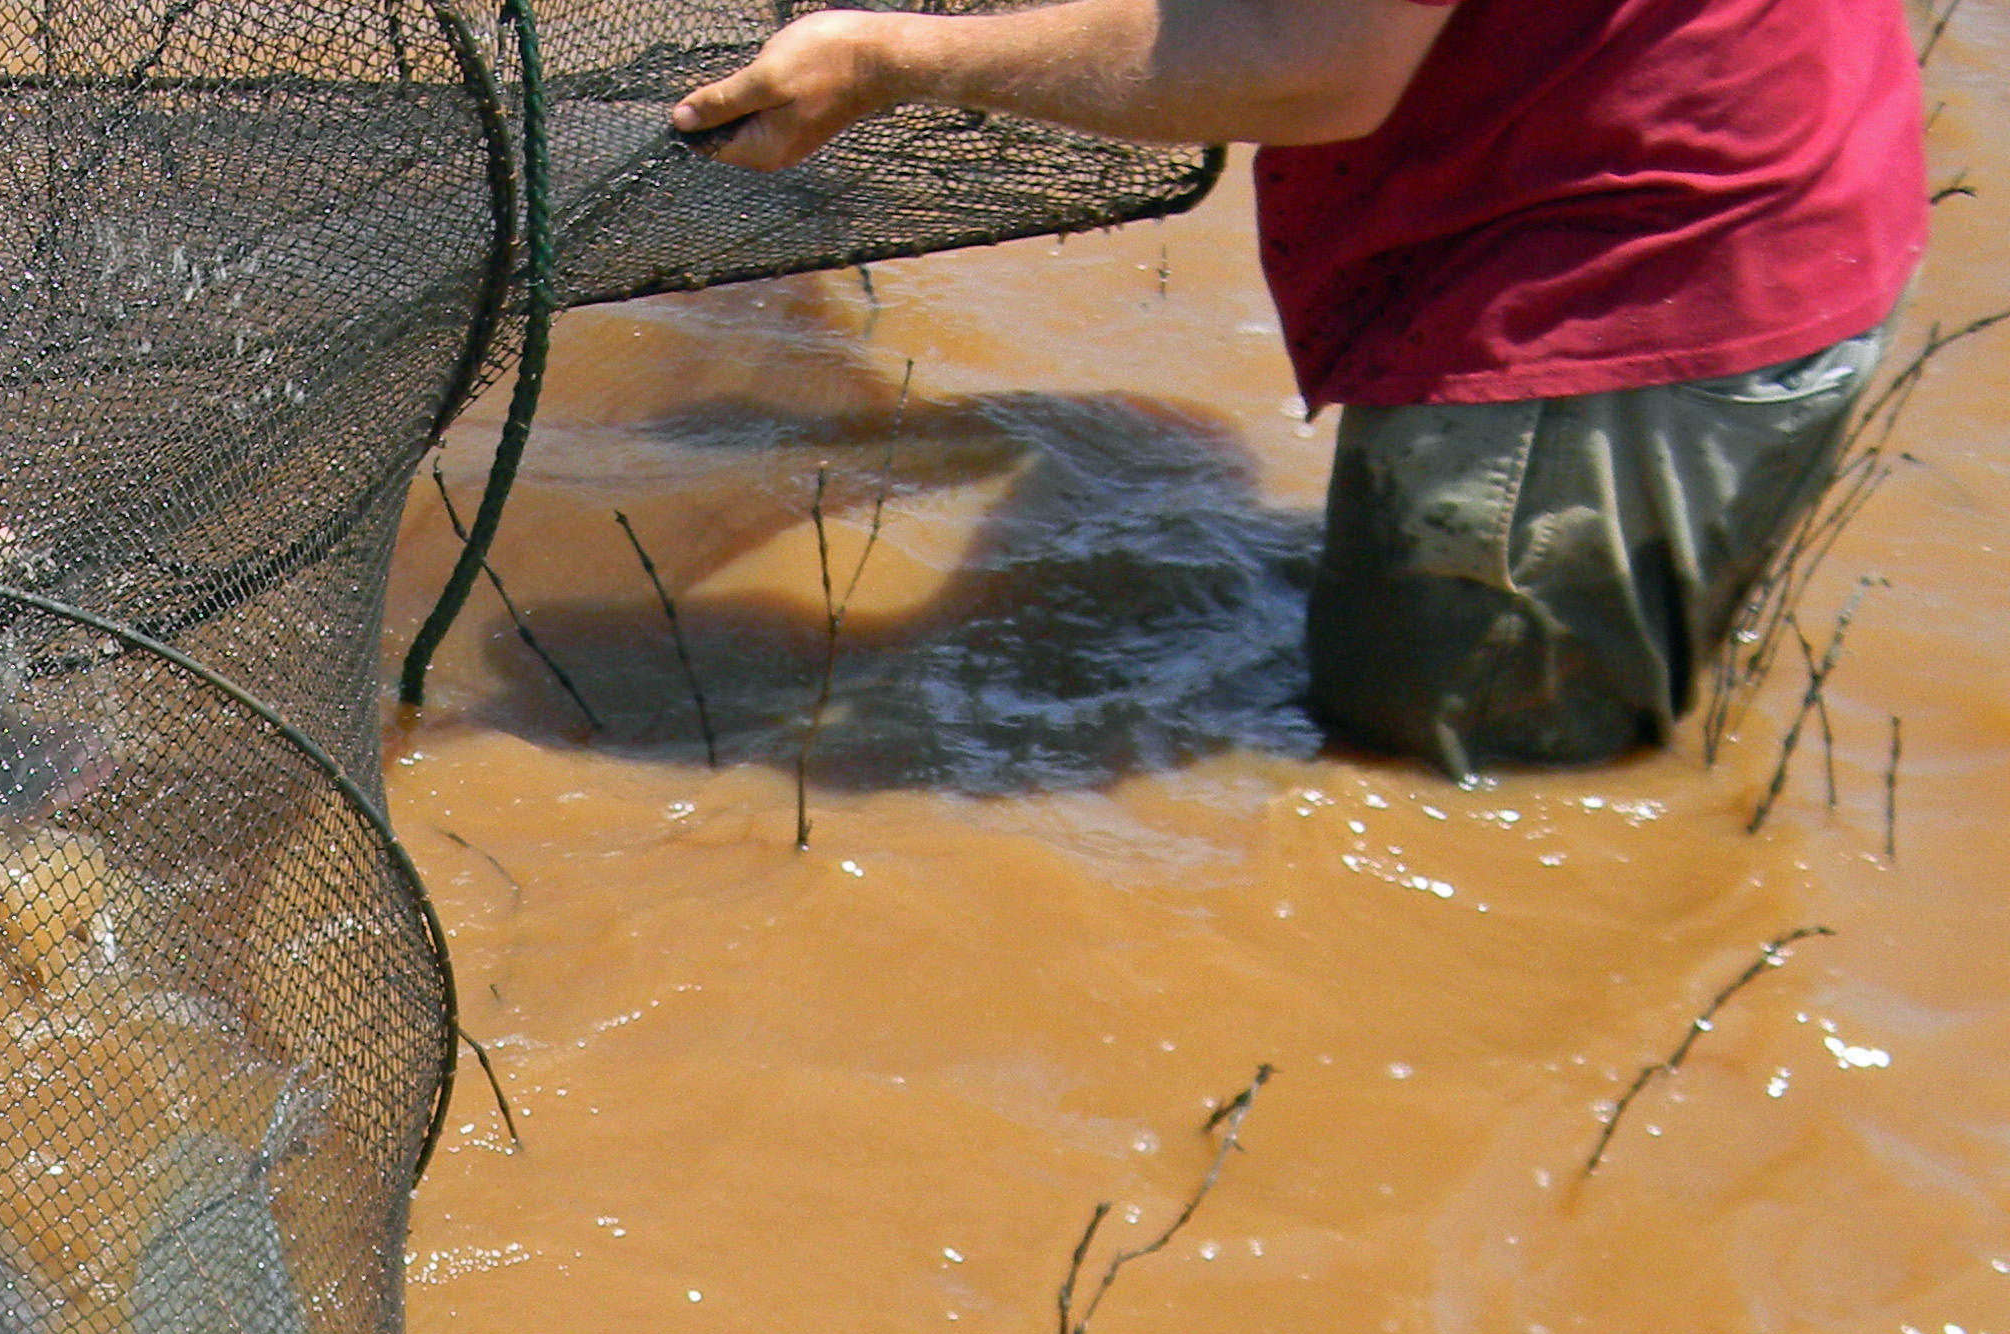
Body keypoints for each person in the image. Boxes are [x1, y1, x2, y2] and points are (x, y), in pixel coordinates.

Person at [669, 0, 1931, 779]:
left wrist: (892, 59)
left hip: (1618, 298)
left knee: (1454, 799)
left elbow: (1308, 63)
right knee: (1565, 726)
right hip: (1778, 216)